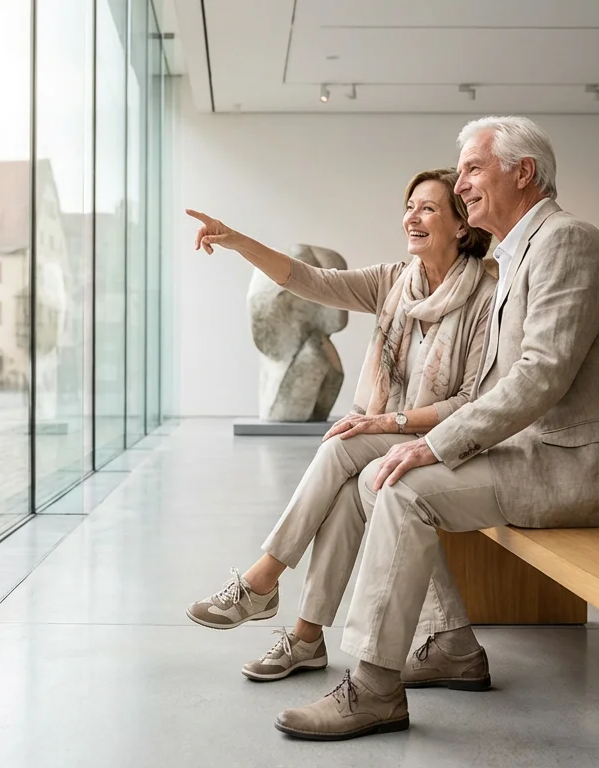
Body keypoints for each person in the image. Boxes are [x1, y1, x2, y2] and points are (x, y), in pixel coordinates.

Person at [274, 116, 599, 741]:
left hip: (582, 469)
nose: (463, 183)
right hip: (534, 452)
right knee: (379, 471)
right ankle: (448, 644)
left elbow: (540, 378)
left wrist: (431, 443)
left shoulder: (567, 242)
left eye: (474, 168)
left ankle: (374, 689)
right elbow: (496, 385)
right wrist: (413, 435)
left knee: (400, 488)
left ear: (524, 172)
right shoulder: (515, 257)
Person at [184, 168, 497, 685]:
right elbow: (310, 280)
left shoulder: (487, 294)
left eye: (428, 208)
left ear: (462, 226)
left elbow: (473, 401)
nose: (411, 218)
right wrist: (238, 241)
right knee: (350, 484)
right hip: (394, 434)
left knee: (339, 449)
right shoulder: (395, 281)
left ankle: (263, 584)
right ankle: (305, 635)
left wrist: (388, 419)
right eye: (409, 205)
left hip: (450, 439)